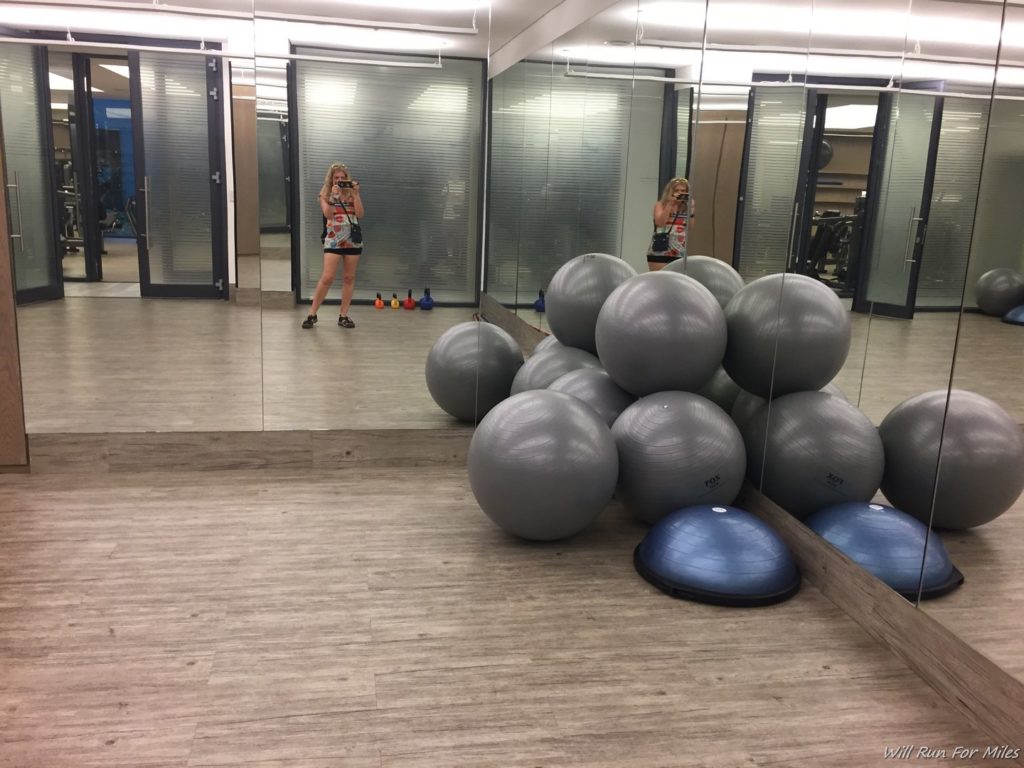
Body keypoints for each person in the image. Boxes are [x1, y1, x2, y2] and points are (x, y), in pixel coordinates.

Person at [302, 162, 364, 329]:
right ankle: (312, 313)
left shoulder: (351, 193)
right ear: (331, 179)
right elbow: (328, 213)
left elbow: (359, 214)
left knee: (349, 277)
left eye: (343, 178)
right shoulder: (324, 194)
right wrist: (334, 198)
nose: (339, 180)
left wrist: (356, 195)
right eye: (336, 177)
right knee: (327, 277)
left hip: (352, 239)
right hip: (334, 239)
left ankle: (343, 316)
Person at [647, 177, 695, 271]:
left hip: (679, 251)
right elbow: (660, 222)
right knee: (659, 280)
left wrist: (691, 209)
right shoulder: (660, 205)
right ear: (670, 191)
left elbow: (690, 227)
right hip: (660, 250)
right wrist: (670, 204)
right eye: (676, 190)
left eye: (683, 190)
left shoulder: (686, 207)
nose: (680, 193)